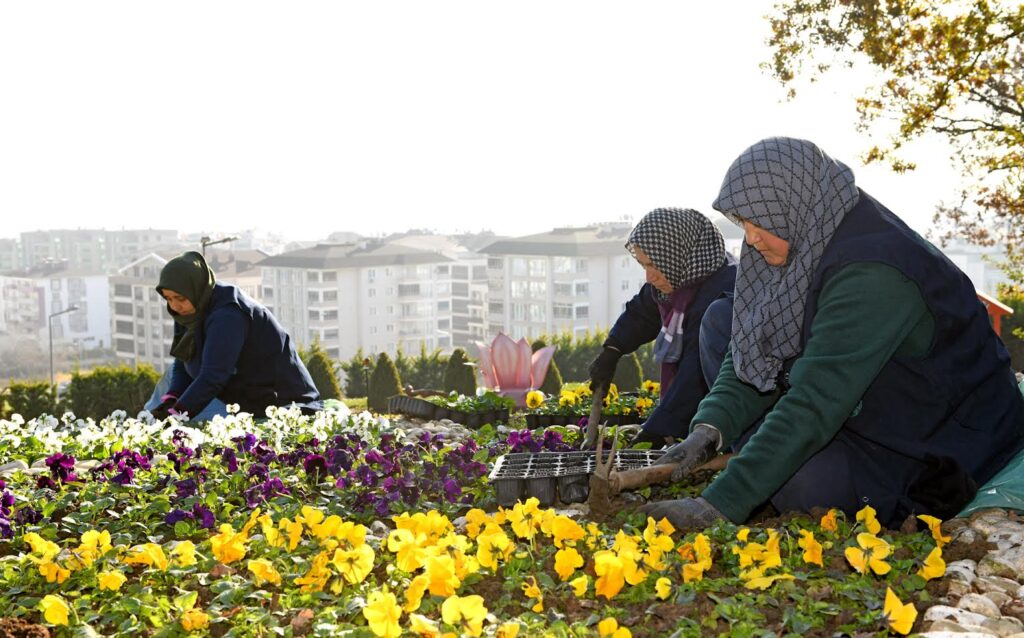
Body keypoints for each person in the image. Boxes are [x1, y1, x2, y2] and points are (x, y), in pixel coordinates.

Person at [641, 137, 1024, 530]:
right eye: (743, 224)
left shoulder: (875, 271)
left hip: (939, 439)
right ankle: (770, 455)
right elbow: (753, 346)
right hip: (870, 401)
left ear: (793, 205)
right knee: (723, 318)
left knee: (802, 485)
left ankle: (773, 462)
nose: (750, 238)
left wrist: (718, 505)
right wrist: (710, 429)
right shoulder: (806, 233)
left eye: (759, 222)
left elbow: (817, 399)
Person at [588, 208, 736, 444]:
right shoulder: (677, 277)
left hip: (726, 419)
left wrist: (658, 429)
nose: (649, 277)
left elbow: (694, 373)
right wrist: (612, 350)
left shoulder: (720, 295)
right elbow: (641, 313)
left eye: (653, 265)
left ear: (678, 254)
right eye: (643, 265)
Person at [149, 251, 322, 421]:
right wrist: (172, 399)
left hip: (277, 401)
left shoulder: (228, 314)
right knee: (170, 378)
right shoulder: (189, 308)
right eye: (168, 298)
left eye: (179, 298)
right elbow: (183, 360)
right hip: (235, 392)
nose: (174, 306)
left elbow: (213, 376)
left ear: (194, 288)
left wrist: (178, 413)